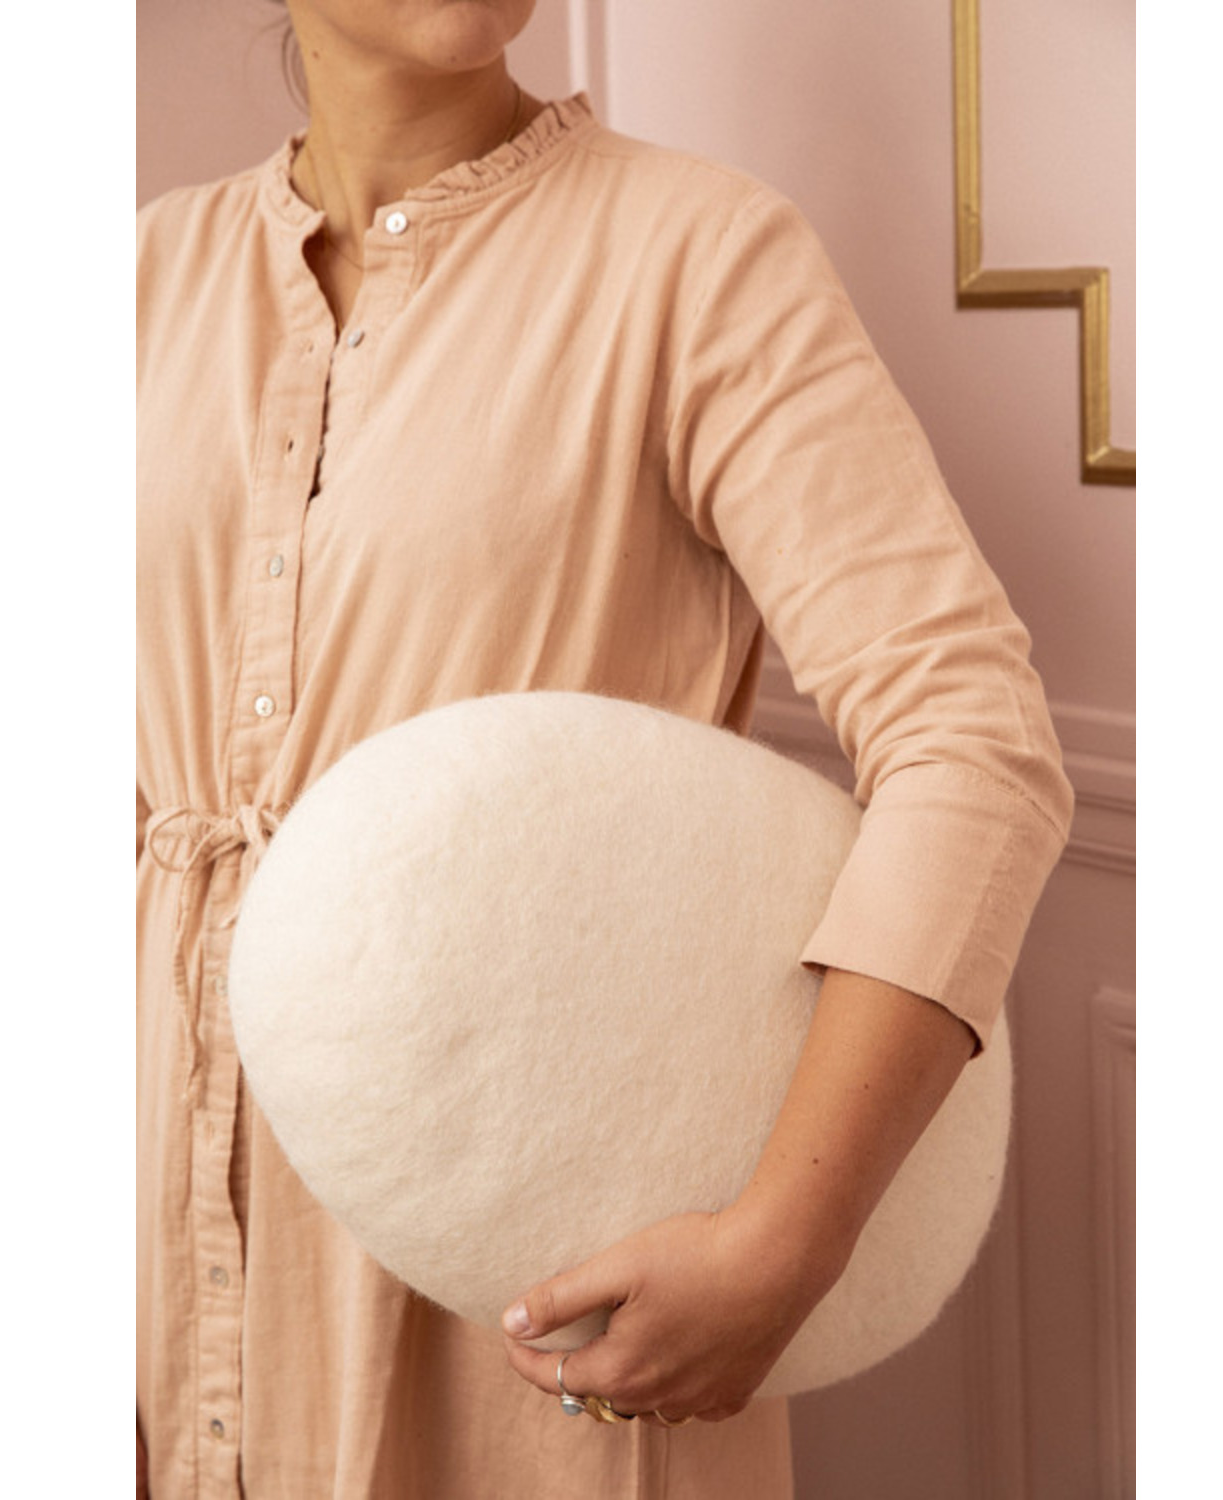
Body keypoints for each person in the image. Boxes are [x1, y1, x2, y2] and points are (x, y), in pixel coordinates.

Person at [136, 1, 1074, 1495]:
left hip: (536, 1239)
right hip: (162, 1231)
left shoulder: (696, 258)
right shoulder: (140, 277)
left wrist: (787, 1239)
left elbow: (972, 739)